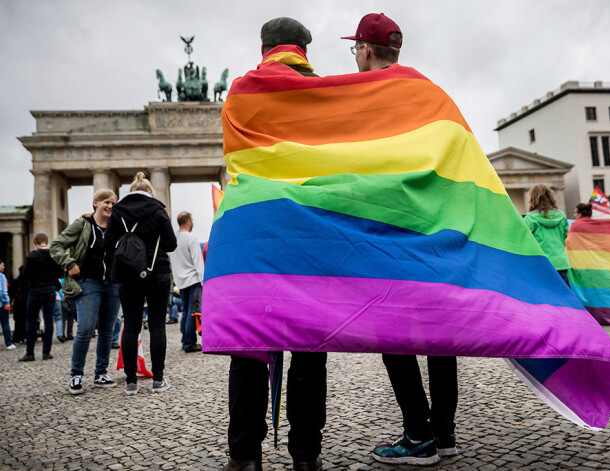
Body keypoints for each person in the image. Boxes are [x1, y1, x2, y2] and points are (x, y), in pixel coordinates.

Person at [341, 13, 457, 466]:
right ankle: (444, 433)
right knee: (440, 337)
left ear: (367, 50)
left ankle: (418, 435)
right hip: (434, 236)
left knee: (393, 335)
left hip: (389, 237)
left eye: (355, 49)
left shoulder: (362, 97)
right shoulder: (431, 94)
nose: (354, 56)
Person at [221, 18, 327, 471]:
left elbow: (234, 158)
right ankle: (305, 454)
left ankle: (245, 454)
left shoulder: (242, 92)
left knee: (249, 348)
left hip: (254, 234)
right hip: (311, 236)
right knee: (309, 351)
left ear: (263, 47)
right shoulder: (328, 92)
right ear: (305, 48)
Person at [104, 172, 177, 395]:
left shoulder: (118, 212)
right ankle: (158, 380)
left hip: (128, 273)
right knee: (156, 325)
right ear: (150, 192)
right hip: (157, 272)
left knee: (131, 326)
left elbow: (107, 245)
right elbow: (171, 244)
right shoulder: (158, 210)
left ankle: (131, 382)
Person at [51, 189, 121, 394]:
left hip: (113, 284)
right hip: (89, 283)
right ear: (95, 203)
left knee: (108, 331)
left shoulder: (116, 227)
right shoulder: (82, 224)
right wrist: (69, 263)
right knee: (86, 329)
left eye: (114, 204)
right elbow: (56, 246)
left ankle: (101, 373)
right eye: (106, 202)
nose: (110, 207)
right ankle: (76, 375)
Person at [19, 233, 64, 361]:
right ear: (46, 241)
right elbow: (60, 273)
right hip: (50, 289)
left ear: (36, 243)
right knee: (49, 320)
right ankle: (46, 353)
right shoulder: (53, 255)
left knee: (31, 321)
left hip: (35, 290)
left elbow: (25, 274)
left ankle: (30, 353)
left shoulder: (31, 256)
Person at [168, 211, 203, 352]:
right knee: (192, 312)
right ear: (188, 221)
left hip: (180, 281)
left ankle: (185, 340)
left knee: (186, 312)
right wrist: (203, 281)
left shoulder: (172, 239)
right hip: (193, 279)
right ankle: (189, 342)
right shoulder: (191, 238)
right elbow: (198, 261)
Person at [524, 184, 571, 284]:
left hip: (541, 264)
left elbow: (526, 241)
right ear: (551, 197)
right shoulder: (561, 216)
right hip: (561, 263)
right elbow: (565, 236)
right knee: (562, 296)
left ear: (532, 198)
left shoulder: (530, 218)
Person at [0, 259, 16, 350]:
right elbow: (2, 291)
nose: (4, 267)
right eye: (2, 265)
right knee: (5, 324)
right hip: (1, 304)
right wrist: (6, 302)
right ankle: (9, 343)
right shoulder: (1, 276)